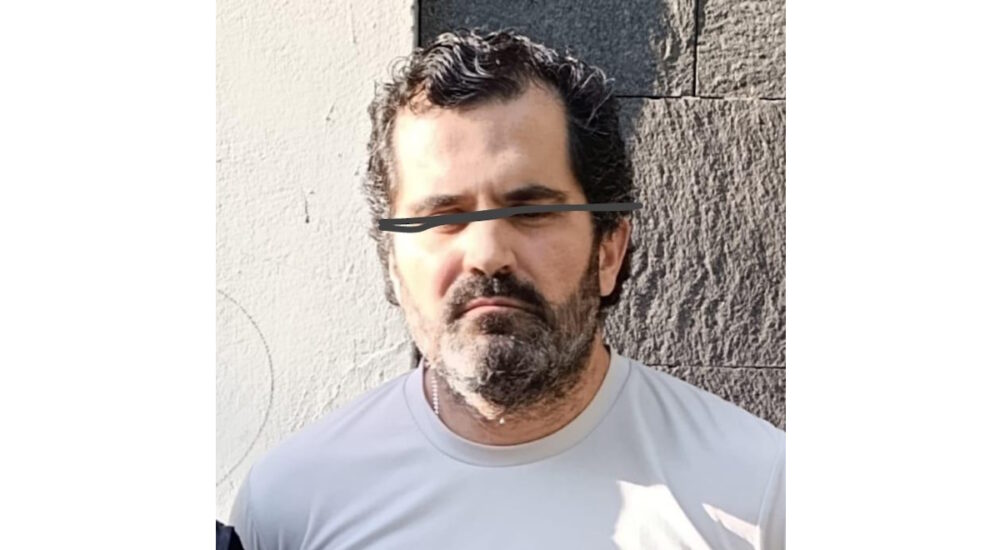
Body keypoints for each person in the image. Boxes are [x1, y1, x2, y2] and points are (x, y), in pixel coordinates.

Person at [230, 29, 784, 549]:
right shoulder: (291, 505)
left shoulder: (762, 494)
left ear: (609, 250)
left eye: (532, 211)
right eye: (442, 217)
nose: (487, 253)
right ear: (392, 262)